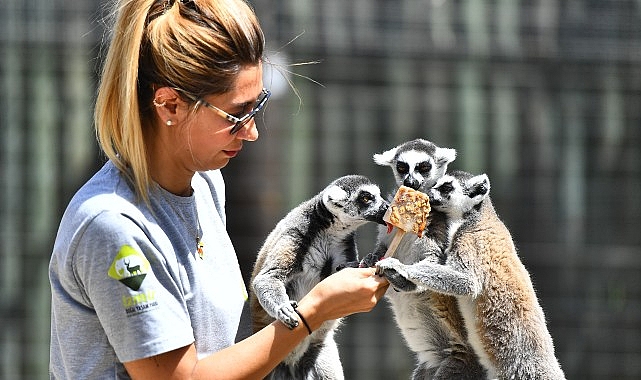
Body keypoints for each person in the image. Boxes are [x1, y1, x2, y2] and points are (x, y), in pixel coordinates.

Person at [48, 0, 389, 378]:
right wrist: (314, 311)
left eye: (257, 106)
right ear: (170, 105)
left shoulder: (206, 182)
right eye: (236, 115)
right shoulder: (113, 226)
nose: (252, 131)